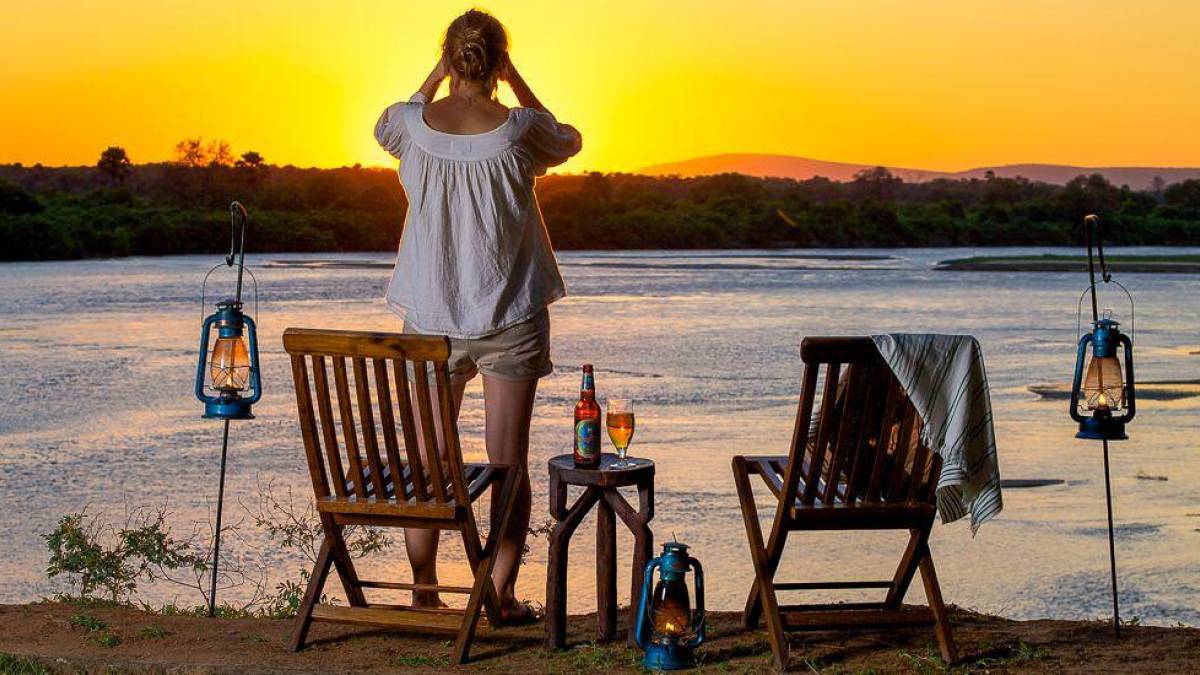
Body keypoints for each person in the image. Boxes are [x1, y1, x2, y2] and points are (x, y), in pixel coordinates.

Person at [373, 8, 581, 623]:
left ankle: (424, 591)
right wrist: (516, 82)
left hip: (429, 319)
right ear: (499, 61)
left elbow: (385, 127)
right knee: (507, 462)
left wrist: (433, 76)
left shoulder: (410, 125)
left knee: (427, 464)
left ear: (449, 57)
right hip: (509, 315)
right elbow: (566, 140)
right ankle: (500, 595)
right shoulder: (520, 130)